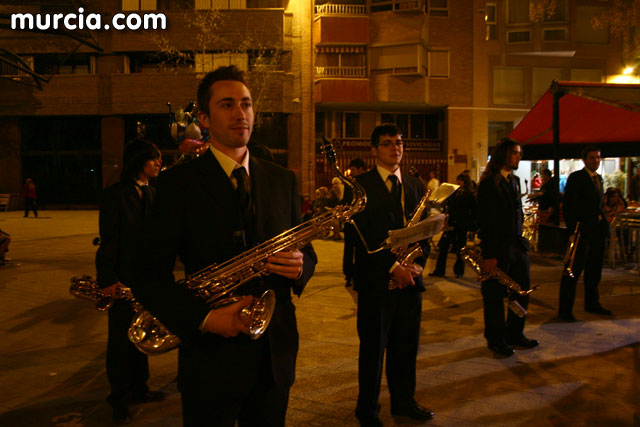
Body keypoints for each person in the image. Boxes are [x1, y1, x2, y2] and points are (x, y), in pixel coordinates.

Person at [130, 66, 317, 426]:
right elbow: (146, 273)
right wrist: (205, 319)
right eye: (227, 105)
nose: (240, 113)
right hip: (210, 358)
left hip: (274, 357)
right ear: (203, 117)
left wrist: (301, 265)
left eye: (246, 104)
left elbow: (305, 249)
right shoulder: (176, 185)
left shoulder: (283, 180)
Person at [351, 124, 434, 426]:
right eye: (387, 143)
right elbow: (362, 236)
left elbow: (423, 230)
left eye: (399, 143)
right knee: (373, 351)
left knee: (406, 347)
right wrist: (392, 267)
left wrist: (416, 262)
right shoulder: (359, 186)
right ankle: (367, 411)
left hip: (411, 281)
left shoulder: (415, 186)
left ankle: (404, 401)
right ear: (373, 150)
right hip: (376, 281)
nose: (395, 148)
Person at [95, 139, 165, 424]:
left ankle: (140, 388)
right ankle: (119, 398)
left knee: (143, 335)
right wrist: (108, 279)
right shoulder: (115, 195)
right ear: (139, 162)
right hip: (122, 279)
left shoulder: (155, 193)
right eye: (154, 159)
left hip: (147, 280)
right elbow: (109, 239)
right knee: (121, 341)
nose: (159, 164)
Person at [477, 138, 538, 357]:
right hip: (498, 249)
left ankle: (515, 332)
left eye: (520, 152)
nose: (518, 157)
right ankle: (495, 339)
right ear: (504, 154)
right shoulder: (489, 183)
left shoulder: (514, 180)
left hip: (516, 247)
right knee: (494, 297)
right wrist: (490, 255)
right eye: (515, 153)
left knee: (521, 292)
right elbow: (487, 220)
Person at [558, 145, 612, 321]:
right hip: (581, 232)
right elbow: (569, 206)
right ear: (585, 160)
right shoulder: (577, 178)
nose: (596, 161)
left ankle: (592, 303)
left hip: (596, 232)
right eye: (592, 158)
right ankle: (565, 310)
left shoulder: (598, 179)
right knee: (573, 271)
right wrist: (574, 229)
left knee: (594, 271)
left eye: (598, 157)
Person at [429, 173, 476, 278]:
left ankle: (459, 271)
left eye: (460, 180)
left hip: (461, 224)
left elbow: (473, 210)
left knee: (461, 250)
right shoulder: (455, 193)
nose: (458, 182)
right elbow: (449, 204)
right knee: (443, 247)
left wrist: (470, 223)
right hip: (451, 224)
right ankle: (439, 270)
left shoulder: (469, 194)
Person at [343, 158, 367, 287]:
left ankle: (358, 274)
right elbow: (345, 200)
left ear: (360, 169)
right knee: (349, 248)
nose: (351, 172)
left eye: (353, 169)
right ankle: (348, 274)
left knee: (360, 249)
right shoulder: (350, 184)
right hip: (351, 221)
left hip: (363, 223)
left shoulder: (368, 183)